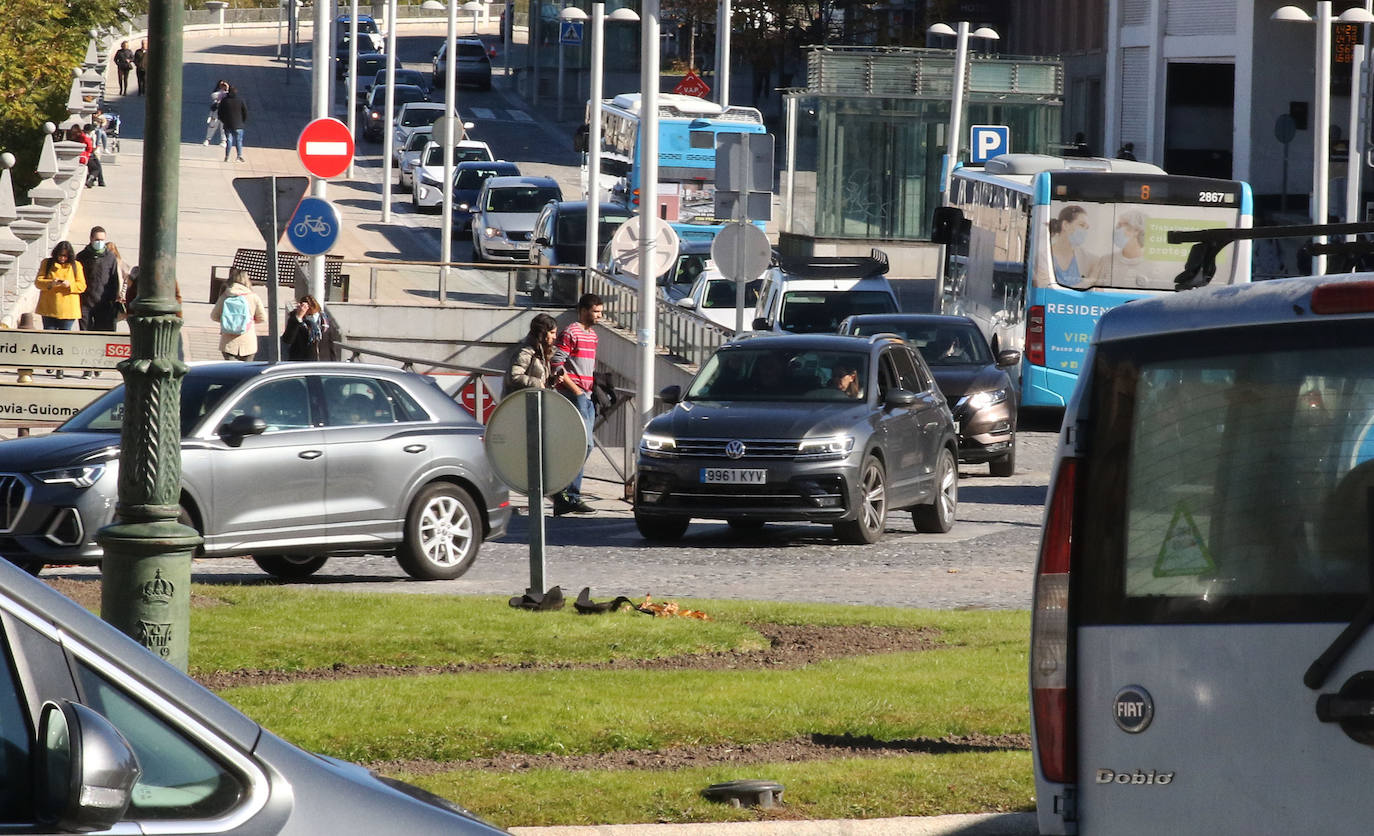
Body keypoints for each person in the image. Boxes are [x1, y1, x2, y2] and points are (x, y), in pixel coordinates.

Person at [552, 293, 603, 516]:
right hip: (575, 396)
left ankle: (567, 495)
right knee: (584, 444)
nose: (600, 316)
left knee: (582, 445)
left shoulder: (592, 336)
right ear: (583, 310)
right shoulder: (571, 332)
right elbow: (556, 362)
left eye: (601, 312)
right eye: (596, 311)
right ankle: (566, 494)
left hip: (587, 396)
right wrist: (576, 390)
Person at [36, 242, 85, 379]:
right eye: (60, 255)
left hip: (68, 309)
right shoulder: (47, 263)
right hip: (49, 307)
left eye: (65, 256)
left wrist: (70, 285)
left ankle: (61, 367)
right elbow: (38, 282)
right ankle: (50, 362)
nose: (62, 258)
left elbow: (82, 286)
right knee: (49, 337)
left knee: (64, 339)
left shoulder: (76, 266)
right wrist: (51, 283)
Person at [211, 268, 266, 361]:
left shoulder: (225, 295)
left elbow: (214, 316)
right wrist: (248, 322)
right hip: (248, 342)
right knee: (247, 373)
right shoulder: (253, 297)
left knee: (231, 372)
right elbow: (262, 318)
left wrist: (228, 321)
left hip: (228, 342)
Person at [75, 226, 120, 333]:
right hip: (85, 303)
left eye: (102, 240)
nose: (99, 242)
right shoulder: (81, 256)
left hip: (104, 303)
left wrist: (112, 300)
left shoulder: (110, 257)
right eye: (97, 240)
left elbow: (114, 280)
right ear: (91, 239)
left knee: (103, 334)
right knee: (86, 333)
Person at [506, 313, 561, 391]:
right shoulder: (526, 351)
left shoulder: (544, 353)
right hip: (521, 400)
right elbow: (514, 376)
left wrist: (552, 380)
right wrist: (537, 383)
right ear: (542, 333)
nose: (555, 337)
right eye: (552, 333)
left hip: (533, 398)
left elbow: (542, 381)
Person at [1047, 204, 1097, 287]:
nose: (1084, 231)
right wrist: (1087, 283)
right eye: (1081, 225)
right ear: (1065, 225)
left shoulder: (1089, 260)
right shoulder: (1045, 255)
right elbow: (1044, 287)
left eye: (1086, 228)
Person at [282, 295, 336, 361]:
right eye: (310, 315)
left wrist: (333, 363)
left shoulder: (325, 322)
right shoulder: (295, 321)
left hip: (323, 364)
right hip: (303, 364)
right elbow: (287, 339)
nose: (313, 317)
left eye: (315, 314)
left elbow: (331, 346)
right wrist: (298, 317)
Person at [218, 84, 248, 163]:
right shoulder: (240, 100)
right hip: (239, 125)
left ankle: (227, 157)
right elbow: (245, 112)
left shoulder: (224, 101)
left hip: (228, 124)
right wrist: (242, 121)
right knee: (239, 140)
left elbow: (220, 113)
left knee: (229, 140)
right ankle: (239, 156)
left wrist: (224, 120)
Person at [204, 79, 230, 147]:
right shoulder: (217, 92)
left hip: (225, 113)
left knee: (223, 127)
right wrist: (221, 93)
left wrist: (227, 89)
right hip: (216, 112)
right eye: (221, 85)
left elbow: (230, 96)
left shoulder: (228, 93)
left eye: (223, 85)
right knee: (212, 125)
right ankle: (207, 139)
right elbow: (213, 96)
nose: (222, 86)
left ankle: (223, 141)